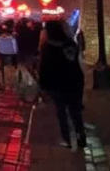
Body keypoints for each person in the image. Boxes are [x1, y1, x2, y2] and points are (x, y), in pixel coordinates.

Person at [40, 21, 87, 149]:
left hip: (57, 84)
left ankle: (67, 139)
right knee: (75, 111)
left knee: (61, 113)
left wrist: (43, 86)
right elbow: (75, 62)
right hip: (74, 82)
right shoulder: (71, 44)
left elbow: (44, 68)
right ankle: (81, 136)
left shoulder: (47, 47)